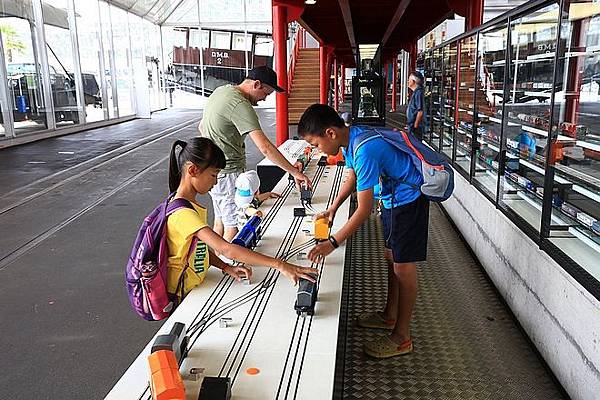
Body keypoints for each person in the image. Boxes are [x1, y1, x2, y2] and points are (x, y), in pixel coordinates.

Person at [297, 104, 430, 359]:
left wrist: (332, 243)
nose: (316, 150)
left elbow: (364, 209)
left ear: (330, 133)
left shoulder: (365, 148)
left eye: (315, 144)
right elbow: (354, 176)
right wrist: (333, 208)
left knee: (403, 267)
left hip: (408, 201)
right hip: (393, 200)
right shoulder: (353, 137)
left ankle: (402, 337)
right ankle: (390, 316)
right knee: (391, 258)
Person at [166, 137, 317, 299]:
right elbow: (227, 249)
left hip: (199, 284)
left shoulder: (191, 205)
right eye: (213, 175)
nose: (216, 182)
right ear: (193, 170)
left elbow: (196, 249)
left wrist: (224, 266)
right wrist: (280, 265)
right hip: (185, 293)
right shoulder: (184, 213)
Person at [199, 66, 311, 242]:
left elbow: (201, 126)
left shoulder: (221, 92)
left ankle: (213, 264)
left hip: (213, 171)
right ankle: (228, 267)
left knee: (220, 221)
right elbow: (265, 147)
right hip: (228, 173)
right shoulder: (240, 104)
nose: (265, 98)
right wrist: (295, 172)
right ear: (257, 84)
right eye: (266, 93)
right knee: (233, 227)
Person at [406, 71, 426, 140]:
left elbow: (420, 111)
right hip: (412, 125)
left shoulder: (418, 93)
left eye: (409, 80)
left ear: (414, 82)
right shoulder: (416, 92)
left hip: (415, 128)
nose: (408, 82)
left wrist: (415, 126)